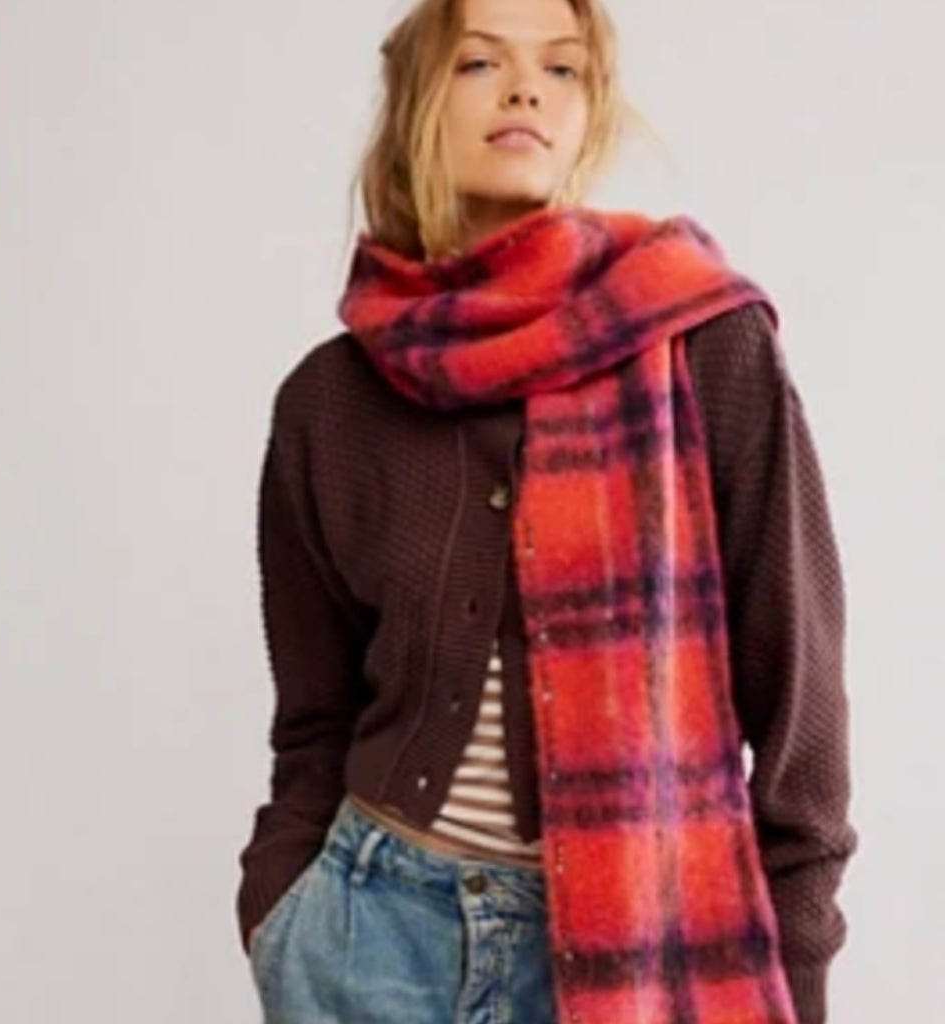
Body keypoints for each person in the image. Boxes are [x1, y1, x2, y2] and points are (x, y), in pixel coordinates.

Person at [234, 0, 858, 1021]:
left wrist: (796, 956)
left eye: (562, 69)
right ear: (415, 102)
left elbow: (798, 691)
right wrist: (278, 906)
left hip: (645, 947)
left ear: (590, 111)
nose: (526, 89)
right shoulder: (328, 403)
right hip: (367, 937)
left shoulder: (704, 346)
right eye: (480, 62)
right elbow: (313, 718)